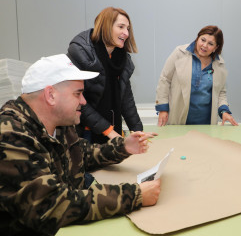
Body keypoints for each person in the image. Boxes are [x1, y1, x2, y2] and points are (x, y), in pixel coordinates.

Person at [0, 54, 161, 236]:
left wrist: (123, 147)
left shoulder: (60, 123)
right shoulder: (10, 134)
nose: (84, 101)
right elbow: (52, 203)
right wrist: (134, 195)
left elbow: (81, 153)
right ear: (50, 95)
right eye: (78, 93)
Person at [67, 7, 142, 144]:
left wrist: (137, 130)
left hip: (112, 130)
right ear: (106, 26)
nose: (126, 33)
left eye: (128, 29)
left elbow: (126, 98)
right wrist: (109, 131)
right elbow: (78, 101)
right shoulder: (80, 52)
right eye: (121, 27)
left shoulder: (121, 58)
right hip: (85, 132)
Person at [155, 25, 238, 126]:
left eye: (210, 44)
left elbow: (221, 92)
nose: (204, 46)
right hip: (179, 121)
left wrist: (224, 111)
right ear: (197, 38)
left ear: (216, 48)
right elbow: (165, 79)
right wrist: (163, 108)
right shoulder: (179, 53)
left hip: (206, 125)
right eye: (203, 40)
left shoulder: (219, 63)